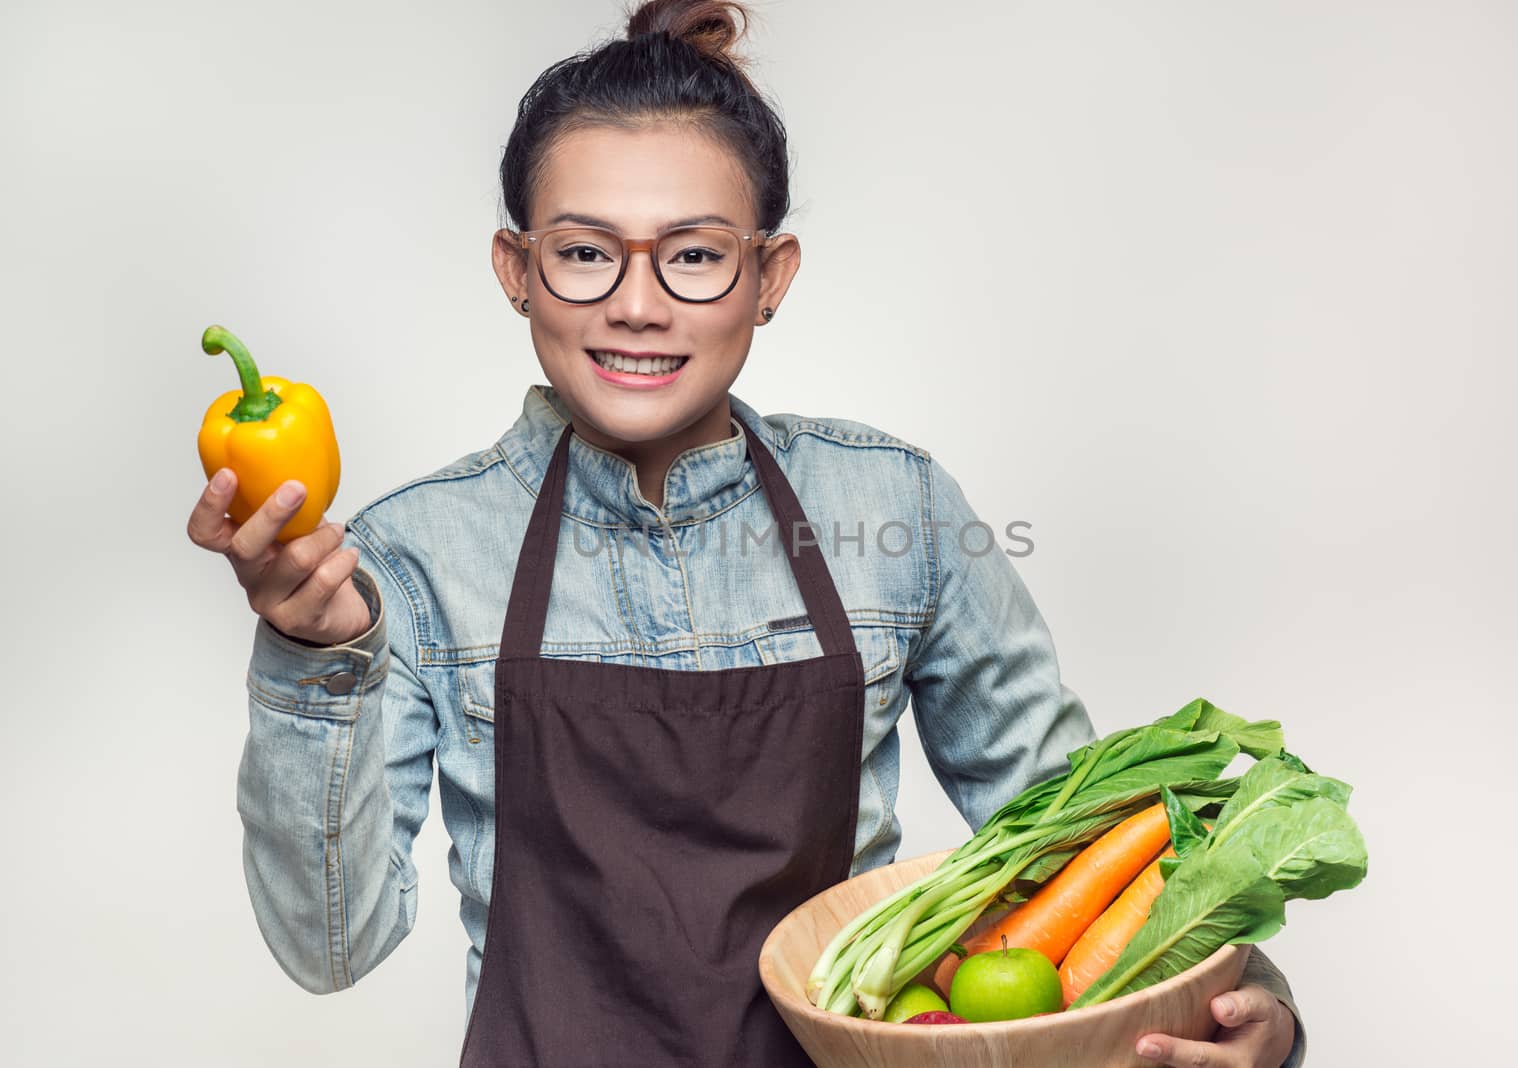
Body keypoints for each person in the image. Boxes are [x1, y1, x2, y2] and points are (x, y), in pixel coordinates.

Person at [186, 2, 1305, 1064]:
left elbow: (1092, 845)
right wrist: (314, 657)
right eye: (584, 252)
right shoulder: (416, 554)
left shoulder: (895, 512)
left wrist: (1259, 1010)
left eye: (695, 253)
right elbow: (328, 950)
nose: (637, 302)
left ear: (768, 278)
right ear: (517, 272)